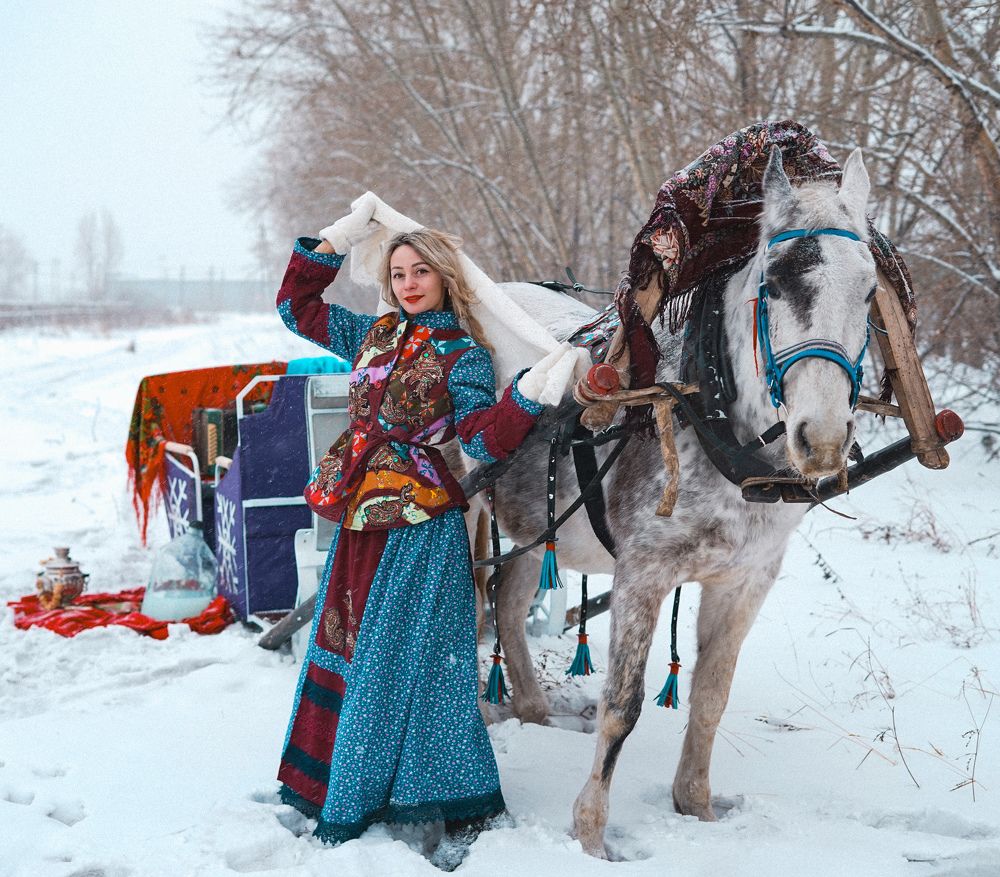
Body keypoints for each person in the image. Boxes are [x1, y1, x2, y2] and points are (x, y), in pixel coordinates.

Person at [274, 196, 560, 861]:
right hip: (359, 518)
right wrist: (336, 239)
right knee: (347, 646)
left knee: (406, 660)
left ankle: (415, 792)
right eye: (398, 272)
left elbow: (481, 443)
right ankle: (336, 781)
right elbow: (296, 307)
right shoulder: (370, 335)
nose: (407, 282)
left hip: (418, 523)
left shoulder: (461, 353)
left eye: (419, 272)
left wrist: (526, 394)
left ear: (443, 278)